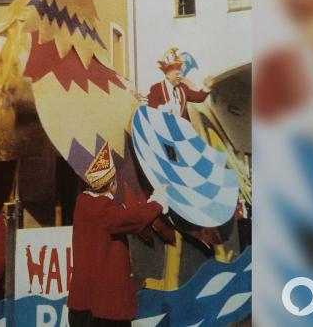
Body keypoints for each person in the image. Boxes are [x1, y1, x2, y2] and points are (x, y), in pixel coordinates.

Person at [67, 142, 168, 327]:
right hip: (105, 308)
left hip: (82, 304)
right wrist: (157, 203)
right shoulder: (103, 210)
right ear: (112, 185)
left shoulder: (82, 205)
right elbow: (132, 218)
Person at [146, 47, 211, 121]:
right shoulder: (156, 88)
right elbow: (150, 106)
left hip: (181, 129)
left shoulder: (183, 88)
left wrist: (207, 87)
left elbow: (198, 97)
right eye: (176, 74)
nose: (180, 76)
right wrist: (162, 108)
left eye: (180, 73)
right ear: (168, 75)